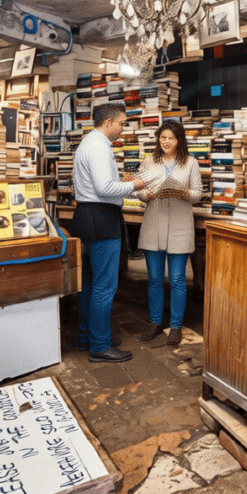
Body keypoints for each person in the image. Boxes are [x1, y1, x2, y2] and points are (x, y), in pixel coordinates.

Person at [72, 103, 146, 363]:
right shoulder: (100, 147)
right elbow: (104, 188)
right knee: (104, 287)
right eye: (121, 123)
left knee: (90, 285)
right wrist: (134, 184)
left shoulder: (87, 144)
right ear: (108, 123)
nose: (122, 128)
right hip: (101, 219)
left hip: (86, 217)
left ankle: (87, 338)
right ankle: (100, 346)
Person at [136, 121, 203, 347]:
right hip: (153, 225)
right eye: (163, 137)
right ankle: (155, 323)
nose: (166, 142)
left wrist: (184, 192)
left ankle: (175, 326)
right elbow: (139, 190)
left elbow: (198, 194)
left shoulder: (191, 163)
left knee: (177, 280)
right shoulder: (149, 161)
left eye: (171, 138)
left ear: (179, 140)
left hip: (179, 227)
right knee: (154, 280)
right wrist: (147, 194)